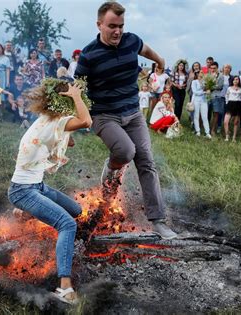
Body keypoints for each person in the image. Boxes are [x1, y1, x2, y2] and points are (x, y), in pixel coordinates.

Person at [75, 1, 177, 239]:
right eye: (112, 26)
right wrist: (70, 125)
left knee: (146, 162)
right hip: (104, 116)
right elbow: (77, 91)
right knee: (125, 151)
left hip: (133, 113)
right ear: (99, 24)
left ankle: (158, 220)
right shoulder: (89, 55)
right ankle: (111, 167)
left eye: (121, 25)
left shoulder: (132, 40)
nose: (117, 31)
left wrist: (160, 62)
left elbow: (147, 51)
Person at [8, 81, 92, 305]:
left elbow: (66, 139)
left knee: (76, 210)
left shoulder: (48, 120)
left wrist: (66, 136)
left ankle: (25, 212)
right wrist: (77, 96)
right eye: (69, 99)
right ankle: (64, 287)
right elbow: (86, 121)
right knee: (68, 224)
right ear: (63, 102)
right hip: (23, 190)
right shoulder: (52, 122)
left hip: (38, 187)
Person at [191, 70, 211, 138]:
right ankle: (198, 131)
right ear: (197, 74)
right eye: (200, 72)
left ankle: (207, 132)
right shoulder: (194, 82)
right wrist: (204, 92)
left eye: (203, 72)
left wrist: (208, 91)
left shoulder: (206, 82)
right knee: (196, 116)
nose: (202, 74)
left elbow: (208, 90)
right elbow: (195, 92)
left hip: (204, 100)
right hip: (196, 100)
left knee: (204, 116)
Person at [224, 75, 241, 142]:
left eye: (237, 79)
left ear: (239, 81)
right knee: (226, 121)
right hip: (230, 104)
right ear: (232, 81)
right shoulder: (229, 88)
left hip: (238, 104)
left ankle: (234, 137)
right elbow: (226, 95)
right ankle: (227, 135)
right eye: (234, 79)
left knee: (236, 122)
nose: (235, 81)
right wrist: (227, 102)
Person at [209, 61, 225, 136]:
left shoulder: (221, 76)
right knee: (207, 113)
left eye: (214, 68)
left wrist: (210, 87)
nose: (213, 70)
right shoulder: (208, 75)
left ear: (217, 68)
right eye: (211, 68)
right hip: (208, 97)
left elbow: (220, 86)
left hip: (216, 97)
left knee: (215, 113)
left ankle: (213, 130)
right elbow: (203, 84)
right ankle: (206, 128)